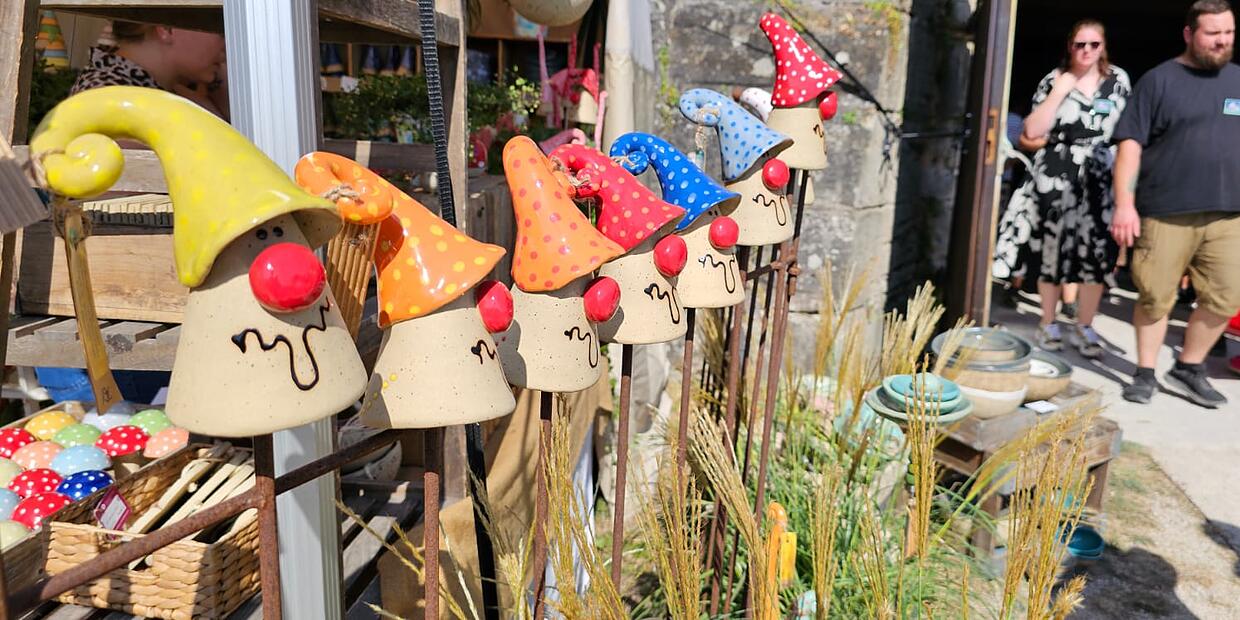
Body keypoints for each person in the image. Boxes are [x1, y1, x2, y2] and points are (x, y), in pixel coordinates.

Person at [1111, 0, 1240, 407]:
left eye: (1228, 33)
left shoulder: (1238, 80)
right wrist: (1124, 204)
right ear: (1189, 34)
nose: (1222, 41)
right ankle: (1145, 372)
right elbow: (1130, 145)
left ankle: (1188, 367)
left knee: (1228, 295)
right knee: (1155, 296)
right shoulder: (1158, 81)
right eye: (1212, 33)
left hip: (1229, 213)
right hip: (1166, 211)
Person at [994, 19, 1130, 358]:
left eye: (1093, 44)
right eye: (1080, 44)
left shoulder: (1118, 81)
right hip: (1056, 169)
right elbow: (1031, 131)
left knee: (1096, 255)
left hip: (1099, 174)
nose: (1086, 51)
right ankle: (1048, 321)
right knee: (1051, 251)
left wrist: (1126, 191)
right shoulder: (1054, 79)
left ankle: (1085, 326)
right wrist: (1059, 91)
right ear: (1070, 46)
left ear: (1103, 46)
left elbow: (1128, 135)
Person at [71, 20, 228, 119]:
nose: (227, 45)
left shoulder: (160, 91)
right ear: (167, 28)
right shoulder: (113, 99)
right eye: (220, 31)